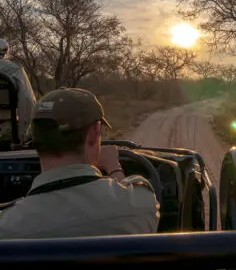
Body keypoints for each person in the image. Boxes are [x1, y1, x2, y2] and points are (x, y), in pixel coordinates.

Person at [0, 87, 160, 239]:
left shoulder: (6, 226)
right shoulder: (140, 204)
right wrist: (114, 168)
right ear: (93, 133)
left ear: (35, 137)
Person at [0, 39, 36, 146]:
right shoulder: (14, 69)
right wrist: (23, 135)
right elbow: (27, 99)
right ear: (5, 52)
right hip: (6, 118)